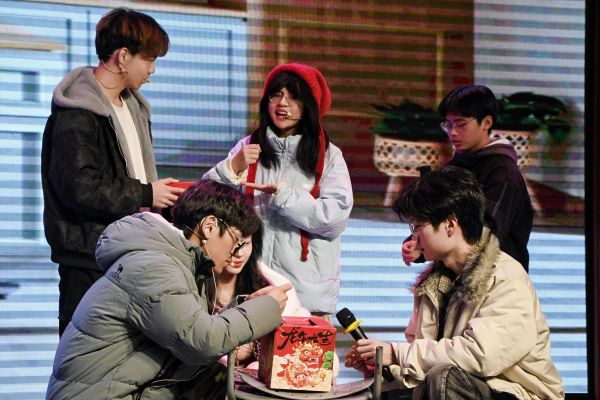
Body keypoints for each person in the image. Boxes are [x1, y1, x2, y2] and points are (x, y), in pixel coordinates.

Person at [46, 180, 292, 400]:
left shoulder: (172, 263)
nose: (236, 254)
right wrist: (266, 307)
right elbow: (202, 342)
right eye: (236, 242)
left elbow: (188, 334)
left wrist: (246, 307)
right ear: (209, 227)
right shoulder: (155, 268)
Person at [344, 166, 563, 400]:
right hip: (464, 387)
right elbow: (426, 364)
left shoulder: (504, 276)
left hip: (518, 393)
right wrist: (383, 366)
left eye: (418, 226)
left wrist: (397, 353)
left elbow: (480, 356)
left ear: (450, 225)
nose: (414, 237)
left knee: (445, 376)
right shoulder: (433, 284)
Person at [41, 7, 184, 336]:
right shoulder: (76, 114)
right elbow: (79, 187)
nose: (152, 70)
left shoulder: (134, 108)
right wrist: (146, 192)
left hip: (130, 251)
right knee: (83, 351)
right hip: (88, 257)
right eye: (149, 59)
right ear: (123, 57)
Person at [203, 63, 353, 319]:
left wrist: (284, 196)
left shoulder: (328, 155)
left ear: (309, 105)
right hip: (248, 289)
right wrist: (233, 167)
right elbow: (204, 201)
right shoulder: (247, 147)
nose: (282, 103)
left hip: (305, 296)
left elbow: (335, 218)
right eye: (276, 94)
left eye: (294, 97)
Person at [402, 85, 533, 271]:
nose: (453, 132)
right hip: (457, 270)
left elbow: (487, 230)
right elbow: (434, 216)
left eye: (461, 124)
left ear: (486, 122)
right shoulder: (453, 167)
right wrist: (418, 243)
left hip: (496, 275)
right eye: (448, 125)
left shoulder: (503, 172)